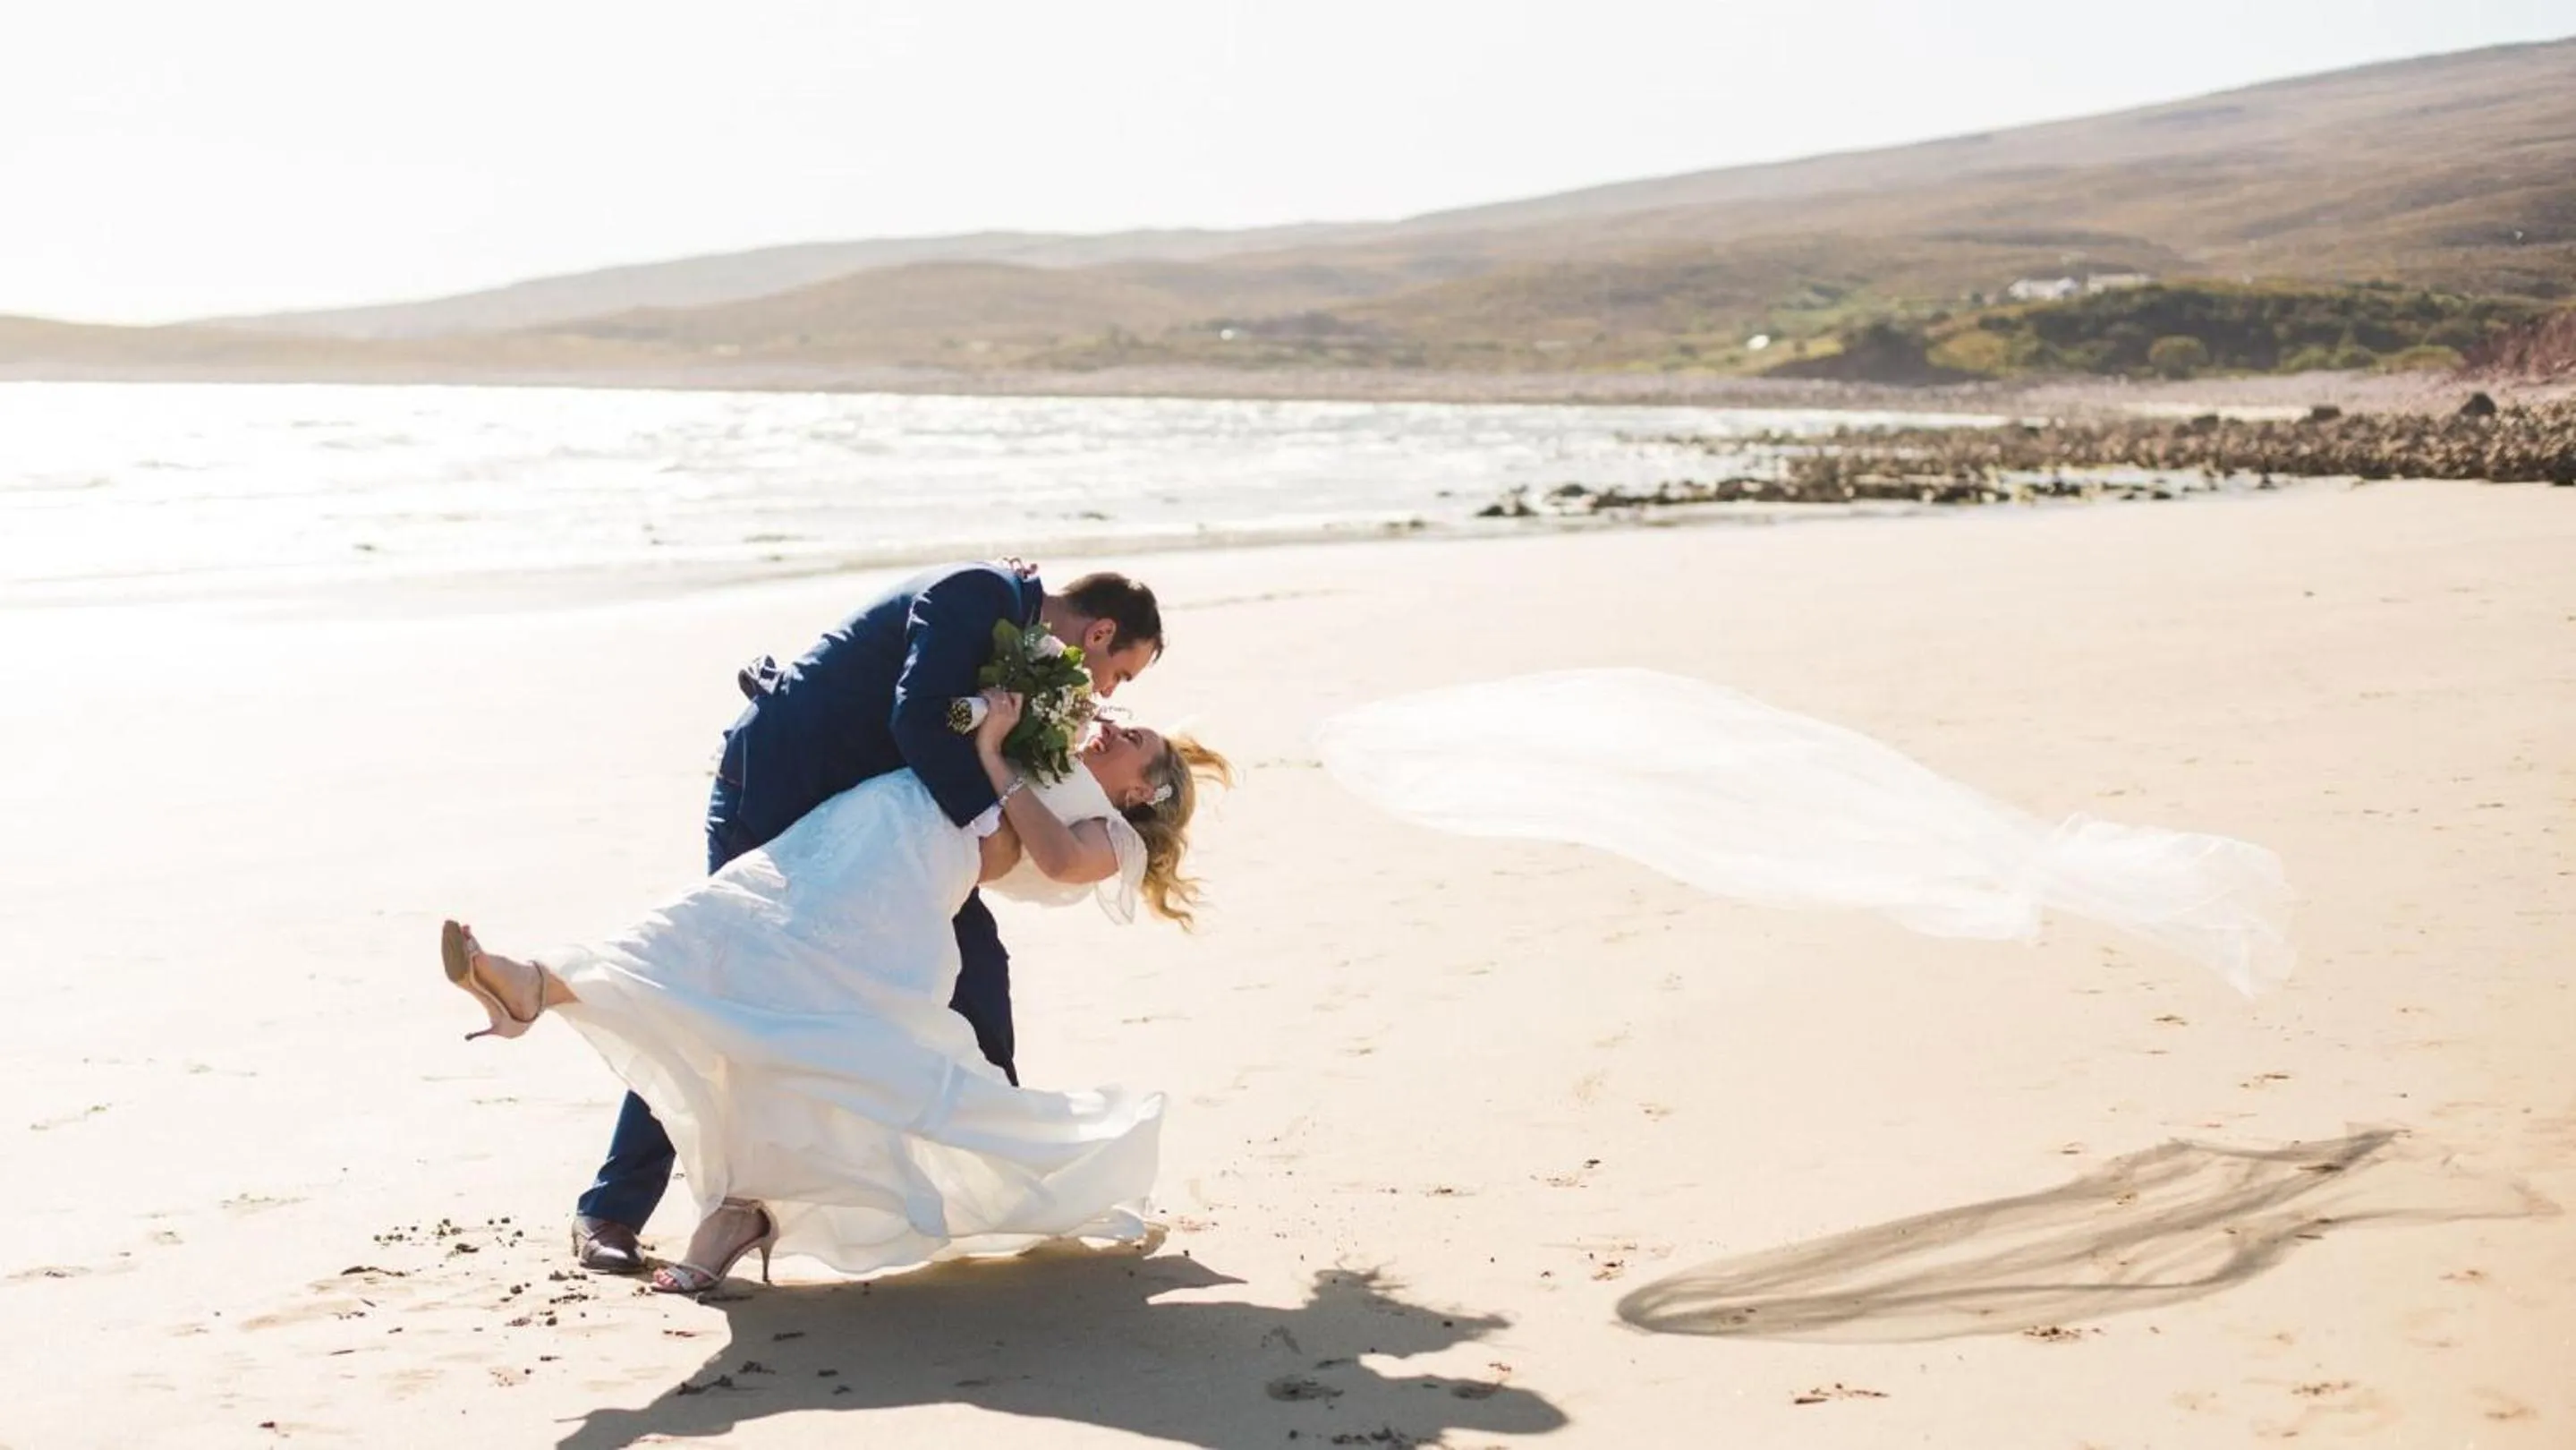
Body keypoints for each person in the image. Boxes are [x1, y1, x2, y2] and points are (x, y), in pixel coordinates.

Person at [444, 687, 1232, 1292]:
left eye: (1134, 744)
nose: (1116, 728)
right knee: (719, 923)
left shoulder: (1110, 837)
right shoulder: (1050, 749)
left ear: (1141, 792)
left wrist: (995, 754)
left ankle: (722, 1199)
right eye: (1127, 720)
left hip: (903, 887)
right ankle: (538, 986)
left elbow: (1038, 861)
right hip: (860, 822)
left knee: (810, 1033)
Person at [565, 561, 1166, 1275]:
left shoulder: (1027, 642)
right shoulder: (978, 592)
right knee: (718, 975)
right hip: (779, 788)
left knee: (976, 976)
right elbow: (916, 716)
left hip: (877, 833)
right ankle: (611, 1210)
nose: (1103, 695)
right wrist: (988, 813)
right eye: (1118, 674)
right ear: (1098, 632)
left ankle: (1012, 1180)